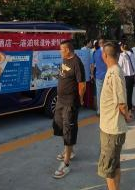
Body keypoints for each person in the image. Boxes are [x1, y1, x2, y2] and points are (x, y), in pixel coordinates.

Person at [98, 42, 133, 190]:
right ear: (118, 55)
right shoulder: (112, 70)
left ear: (104, 55)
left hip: (112, 130)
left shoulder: (116, 73)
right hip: (110, 127)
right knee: (114, 165)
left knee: (109, 170)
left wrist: (127, 116)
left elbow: (122, 104)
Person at [52, 40, 86, 179]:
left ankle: (66, 164)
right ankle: (69, 151)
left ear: (67, 50)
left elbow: (82, 84)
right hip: (60, 100)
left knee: (68, 130)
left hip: (70, 103)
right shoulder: (65, 60)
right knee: (59, 126)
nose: (60, 51)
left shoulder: (77, 63)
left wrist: (80, 99)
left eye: (61, 49)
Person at [118, 43, 135, 112]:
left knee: (125, 93)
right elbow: (134, 65)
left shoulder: (122, 55)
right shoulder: (131, 54)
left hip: (125, 76)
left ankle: (127, 109)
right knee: (130, 93)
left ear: (122, 48)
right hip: (132, 76)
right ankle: (130, 108)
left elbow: (119, 66)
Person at [91, 38, 107, 115]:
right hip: (107, 75)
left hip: (98, 75)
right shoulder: (106, 52)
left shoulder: (95, 53)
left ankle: (99, 111)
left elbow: (92, 65)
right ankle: (107, 110)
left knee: (99, 94)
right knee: (107, 93)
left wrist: (91, 74)